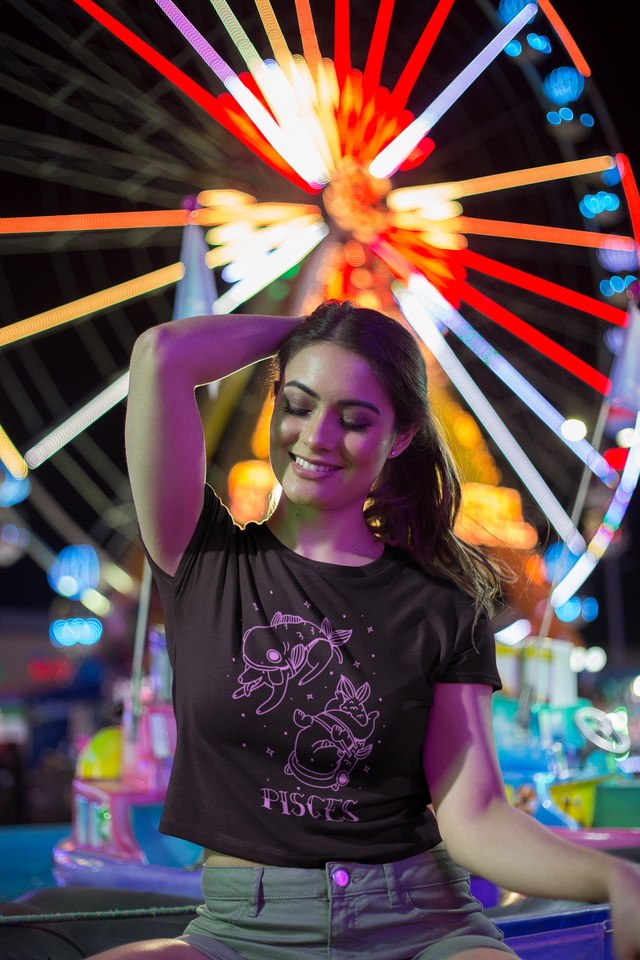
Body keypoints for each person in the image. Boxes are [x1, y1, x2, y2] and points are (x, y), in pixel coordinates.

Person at [91, 301, 640, 960]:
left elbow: (474, 818)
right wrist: (313, 329)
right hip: (243, 932)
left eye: (353, 420)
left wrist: (615, 878)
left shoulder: (444, 604)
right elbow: (161, 355)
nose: (317, 437)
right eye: (297, 404)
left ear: (400, 436)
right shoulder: (200, 557)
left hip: (419, 922)